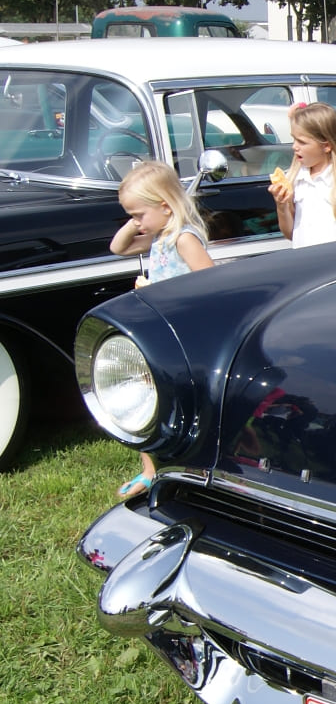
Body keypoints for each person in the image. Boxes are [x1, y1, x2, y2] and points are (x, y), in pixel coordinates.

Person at [107, 160, 214, 497]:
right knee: (148, 397)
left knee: (181, 398)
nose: (135, 223)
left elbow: (212, 285)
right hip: (163, 328)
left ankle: (195, 465)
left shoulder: (183, 239)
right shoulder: (160, 235)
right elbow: (117, 248)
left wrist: (154, 291)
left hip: (184, 332)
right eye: (132, 215)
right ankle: (149, 471)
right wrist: (136, 217)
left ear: (165, 207)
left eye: (139, 215)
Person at [268, 102, 336, 248]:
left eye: (302, 142)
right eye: (294, 139)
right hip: (306, 264)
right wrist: (281, 206)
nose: (294, 146)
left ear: (326, 145)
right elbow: (290, 233)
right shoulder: (296, 179)